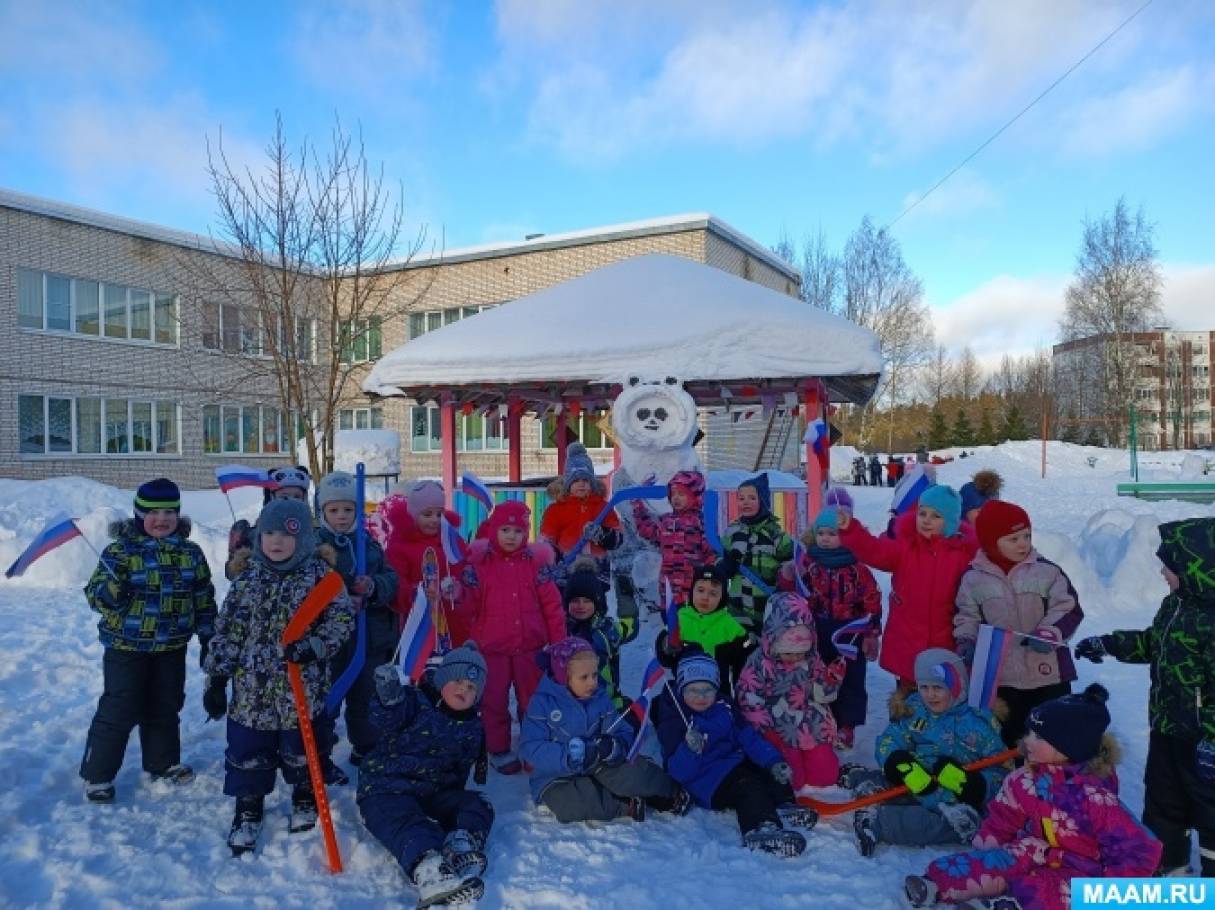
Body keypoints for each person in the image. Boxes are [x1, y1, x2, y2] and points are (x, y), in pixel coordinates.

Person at [904, 684, 1162, 909]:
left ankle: (1005, 905)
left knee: (1048, 892)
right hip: (1034, 848)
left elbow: (1139, 850)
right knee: (997, 861)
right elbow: (1004, 814)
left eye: (1038, 736)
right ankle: (935, 884)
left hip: (1082, 868)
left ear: (1068, 747)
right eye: (1029, 732)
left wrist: (1110, 893)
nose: (1027, 741)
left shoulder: (1096, 799)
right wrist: (986, 849)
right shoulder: (1026, 779)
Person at [202, 498, 355, 854]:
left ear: (304, 538)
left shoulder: (322, 579)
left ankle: (305, 795)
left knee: (302, 750)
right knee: (247, 752)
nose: (276, 541)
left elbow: (342, 620)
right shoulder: (246, 580)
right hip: (251, 694)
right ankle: (248, 807)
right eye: (268, 532)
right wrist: (217, 678)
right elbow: (228, 631)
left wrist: (315, 646)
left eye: (287, 534)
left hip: (302, 688)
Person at [1074, 517, 1215, 876]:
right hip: (1168, 728)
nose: (1163, 573)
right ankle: (1171, 873)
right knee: (1164, 803)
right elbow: (1155, 643)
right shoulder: (1177, 604)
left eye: (1169, 566)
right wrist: (1107, 643)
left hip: (1205, 743)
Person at [80, 478, 216, 803]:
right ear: (139, 515)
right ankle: (97, 774)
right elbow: (93, 594)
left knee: (165, 704)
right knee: (119, 707)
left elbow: (203, 596)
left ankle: (163, 762)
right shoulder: (120, 552)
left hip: (171, 646)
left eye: (170, 512)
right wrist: (112, 593)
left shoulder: (190, 553)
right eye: (153, 512)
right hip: (126, 647)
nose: (162, 519)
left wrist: (209, 633)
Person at [358, 644, 493, 908]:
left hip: (434, 791)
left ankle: (460, 845)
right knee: (408, 825)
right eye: (458, 681)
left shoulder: (471, 724)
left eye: (472, 688)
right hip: (387, 788)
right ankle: (430, 870)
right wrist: (388, 698)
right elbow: (385, 718)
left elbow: (462, 767)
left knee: (478, 805)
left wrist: (454, 803)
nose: (463, 690)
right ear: (442, 679)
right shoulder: (414, 701)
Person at [843, 649, 1008, 857]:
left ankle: (879, 822)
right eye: (924, 687)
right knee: (890, 781)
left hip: (953, 798)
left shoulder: (979, 723)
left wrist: (972, 785)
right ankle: (863, 782)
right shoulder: (914, 711)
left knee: (949, 824)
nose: (930, 695)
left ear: (958, 686)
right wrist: (899, 763)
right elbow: (889, 740)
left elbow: (1002, 772)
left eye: (938, 687)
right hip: (917, 778)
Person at [652, 650, 815, 856]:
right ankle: (761, 828)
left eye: (707, 690)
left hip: (732, 762)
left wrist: (773, 761)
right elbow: (677, 772)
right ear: (681, 688)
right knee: (747, 785)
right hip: (706, 779)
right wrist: (690, 749)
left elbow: (748, 737)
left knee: (764, 770)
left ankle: (783, 805)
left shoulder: (725, 706)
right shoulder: (676, 720)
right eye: (693, 690)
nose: (701, 697)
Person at [954, 500, 1083, 746]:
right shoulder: (972, 579)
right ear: (992, 542)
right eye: (1013, 539)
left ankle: (1051, 783)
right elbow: (966, 616)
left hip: (1048, 675)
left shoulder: (1047, 572)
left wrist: (1050, 632)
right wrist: (967, 641)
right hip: (1003, 678)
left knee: (1051, 739)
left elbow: (1067, 607)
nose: (1023, 543)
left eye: (1026, 535)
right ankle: (1015, 782)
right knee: (1010, 739)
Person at [519, 637, 688, 823]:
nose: (592, 682)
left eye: (594, 675)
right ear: (563, 677)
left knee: (630, 770)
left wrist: (612, 746)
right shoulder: (542, 704)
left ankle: (670, 793)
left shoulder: (599, 698)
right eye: (584, 677)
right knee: (571, 803)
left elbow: (621, 730)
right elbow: (530, 747)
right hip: (556, 775)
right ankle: (625, 804)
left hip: (597, 761)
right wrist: (568, 755)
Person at [454, 500, 564, 775]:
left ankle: (533, 746)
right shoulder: (480, 567)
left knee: (533, 699)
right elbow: (470, 607)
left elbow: (552, 607)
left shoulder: (536, 566)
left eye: (517, 531)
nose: (511, 536)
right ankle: (498, 747)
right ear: (494, 531)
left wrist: (559, 643)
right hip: (492, 648)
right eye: (505, 530)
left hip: (530, 647)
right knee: (494, 700)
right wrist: (458, 594)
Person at [838, 485, 978, 690]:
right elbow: (874, 550)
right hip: (907, 643)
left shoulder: (964, 555)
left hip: (945, 645)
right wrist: (851, 529)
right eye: (922, 513)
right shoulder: (906, 548)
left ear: (950, 522)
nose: (926, 520)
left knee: (943, 699)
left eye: (936, 516)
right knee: (906, 701)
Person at [313, 471, 400, 764]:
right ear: (322, 511)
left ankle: (366, 746)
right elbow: (308, 586)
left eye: (348, 509)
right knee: (327, 697)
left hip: (369, 637)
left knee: (366, 697)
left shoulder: (369, 543)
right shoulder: (315, 548)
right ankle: (319, 752)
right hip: (330, 640)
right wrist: (340, 597)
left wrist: (373, 588)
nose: (341, 516)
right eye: (334, 510)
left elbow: (390, 578)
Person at [779, 507, 881, 749]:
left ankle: (847, 726)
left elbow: (872, 601)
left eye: (832, 534)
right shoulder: (810, 564)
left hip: (849, 634)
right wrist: (787, 576)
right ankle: (822, 720)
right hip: (818, 630)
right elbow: (792, 595)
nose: (825, 538)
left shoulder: (858, 568)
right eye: (821, 533)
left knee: (851, 680)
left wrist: (871, 635)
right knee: (819, 676)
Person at [736, 592, 847, 788]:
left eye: (800, 652)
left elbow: (822, 696)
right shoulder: (759, 662)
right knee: (792, 781)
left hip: (810, 724)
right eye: (788, 652)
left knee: (826, 776)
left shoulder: (812, 659)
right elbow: (748, 697)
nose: (795, 658)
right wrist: (764, 729)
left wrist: (830, 680)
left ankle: (818, 757)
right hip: (778, 725)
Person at [379, 479, 470, 646]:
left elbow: (463, 569)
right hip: (418, 622)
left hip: (452, 621)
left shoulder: (450, 540)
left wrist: (458, 588)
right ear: (413, 515)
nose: (435, 520)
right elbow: (396, 582)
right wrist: (416, 593)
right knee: (422, 666)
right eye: (427, 514)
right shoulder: (400, 546)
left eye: (439, 514)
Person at [655, 561, 750, 698]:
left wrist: (742, 647)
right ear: (692, 591)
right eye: (700, 590)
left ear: (722, 598)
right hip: (684, 691)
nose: (705, 597)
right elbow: (664, 659)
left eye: (713, 593)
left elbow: (744, 665)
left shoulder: (731, 626)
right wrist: (667, 646)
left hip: (718, 693)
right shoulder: (679, 619)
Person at [540, 442, 622, 589]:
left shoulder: (602, 507)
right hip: (566, 573)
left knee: (596, 609)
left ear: (592, 483)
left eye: (585, 480)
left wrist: (601, 534)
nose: (581, 484)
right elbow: (547, 541)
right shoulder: (556, 510)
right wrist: (551, 559)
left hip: (598, 573)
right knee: (569, 607)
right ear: (567, 483)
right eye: (576, 480)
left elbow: (618, 540)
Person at [632, 470, 716, 607]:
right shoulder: (666, 521)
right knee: (670, 623)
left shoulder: (700, 522)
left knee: (689, 626)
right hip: (668, 590)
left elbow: (711, 553)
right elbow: (647, 531)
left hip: (693, 590)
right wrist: (638, 503)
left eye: (681, 494)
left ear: (695, 497)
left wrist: (710, 578)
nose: (676, 498)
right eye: (673, 494)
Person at [722, 473, 794, 635]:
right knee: (738, 647)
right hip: (737, 606)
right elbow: (719, 558)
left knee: (766, 648)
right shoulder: (732, 532)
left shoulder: (776, 534)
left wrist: (784, 585)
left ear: (763, 501)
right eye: (741, 498)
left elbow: (790, 564)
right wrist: (724, 566)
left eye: (752, 498)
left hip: (766, 605)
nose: (745, 502)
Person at [225, 466, 311, 581]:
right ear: (271, 498)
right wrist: (236, 559)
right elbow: (233, 575)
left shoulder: (313, 533)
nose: (290, 501)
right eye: (284, 497)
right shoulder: (257, 534)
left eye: (296, 496)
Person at [563, 567, 626, 704]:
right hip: (569, 703)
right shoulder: (560, 631)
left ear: (597, 603)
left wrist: (627, 603)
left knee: (631, 719)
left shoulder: (606, 628)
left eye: (587, 601)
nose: (581, 606)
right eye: (575, 600)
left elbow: (628, 628)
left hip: (606, 701)